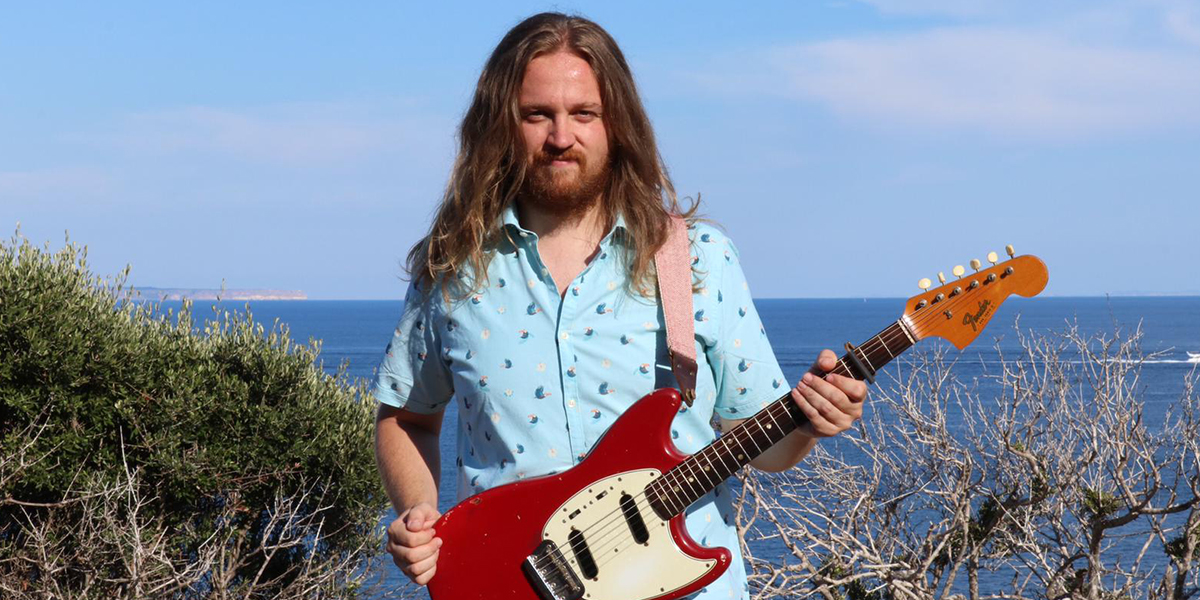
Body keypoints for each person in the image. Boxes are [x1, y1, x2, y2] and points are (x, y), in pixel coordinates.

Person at [372, 12, 866, 599]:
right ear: (500, 124)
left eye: (584, 113)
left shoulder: (697, 260)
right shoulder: (454, 268)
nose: (561, 137)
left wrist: (809, 421)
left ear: (618, 124)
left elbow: (765, 444)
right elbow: (407, 416)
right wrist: (419, 513)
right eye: (537, 115)